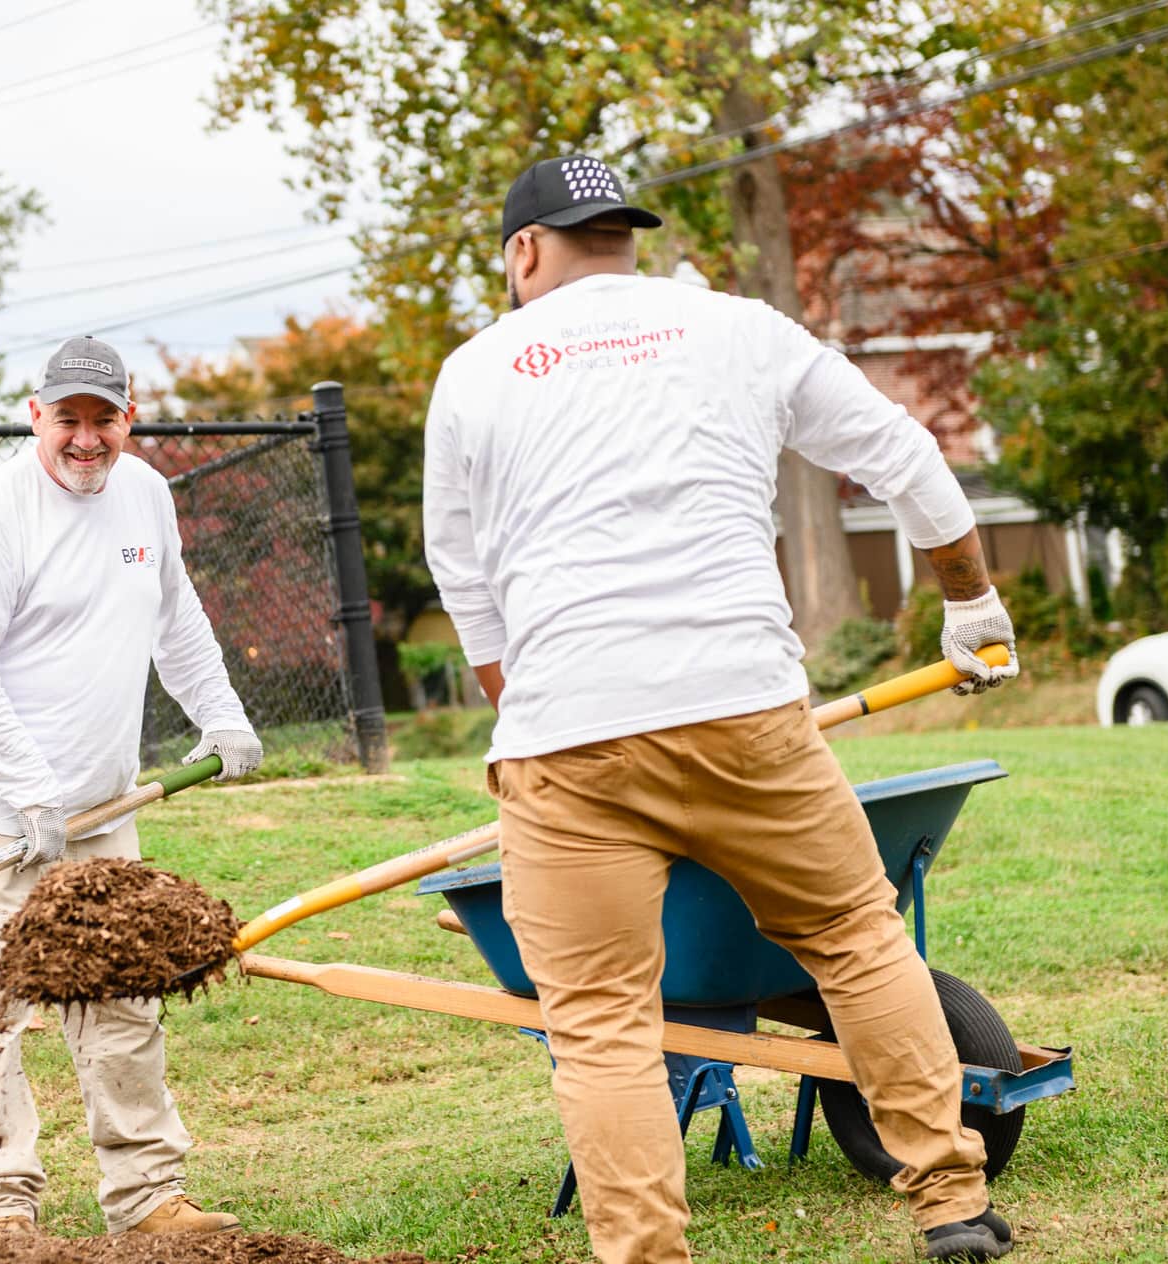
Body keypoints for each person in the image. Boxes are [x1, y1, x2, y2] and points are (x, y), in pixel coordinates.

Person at [421, 155, 1020, 1264]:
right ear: (626, 238)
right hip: (743, 707)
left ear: (523, 251)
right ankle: (950, 1200)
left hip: (569, 732)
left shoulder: (473, 370)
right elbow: (902, 452)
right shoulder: (735, 326)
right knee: (853, 936)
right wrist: (969, 601)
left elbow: (461, 579)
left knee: (600, 1019)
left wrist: (529, 718)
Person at [0, 334, 263, 1237]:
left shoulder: (146, 494)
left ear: (129, 419)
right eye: (65, 418)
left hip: (101, 809)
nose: (84, 439)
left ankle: (147, 1197)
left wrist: (220, 714)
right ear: (34, 416)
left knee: (124, 995)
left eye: (101, 420)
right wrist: (28, 793)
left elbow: (176, 618)